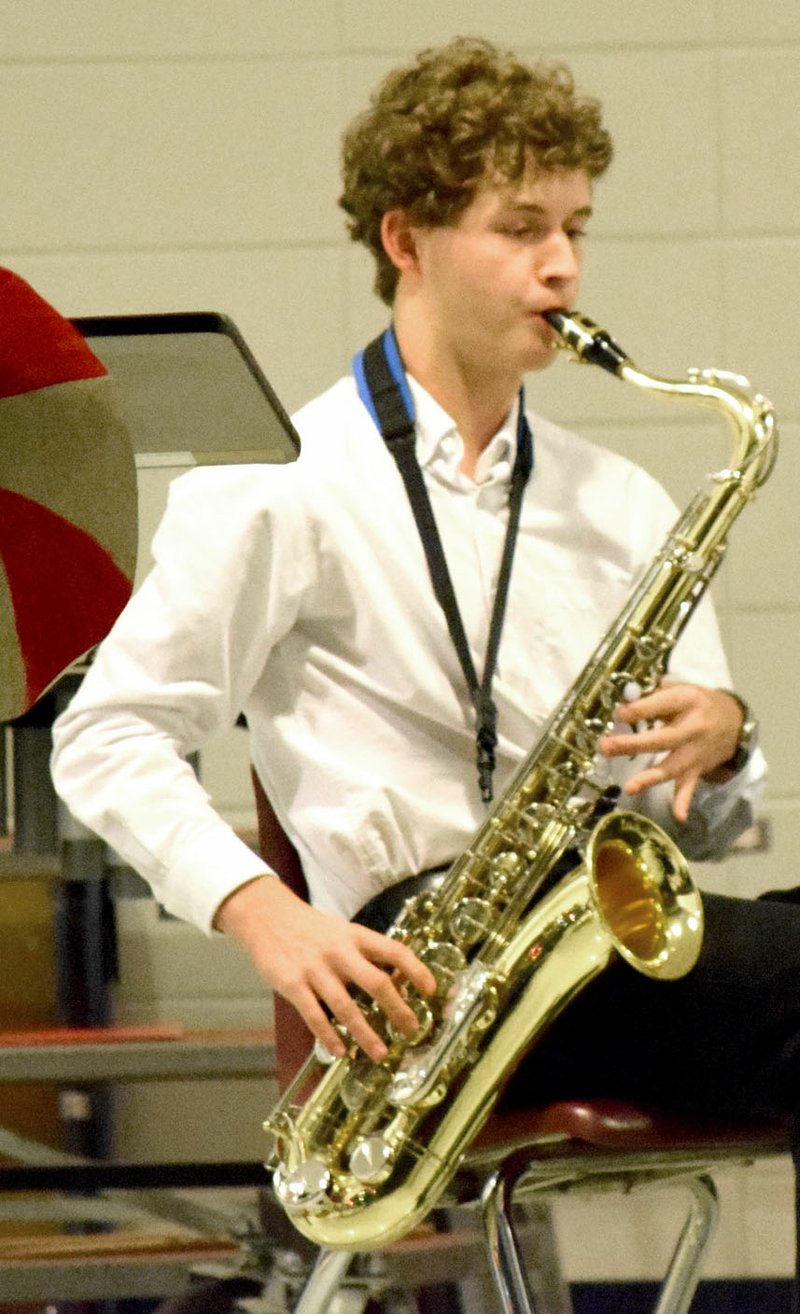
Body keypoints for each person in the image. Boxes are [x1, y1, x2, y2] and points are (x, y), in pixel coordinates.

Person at [51, 33, 799, 1294]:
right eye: (518, 227)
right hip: (414, 972)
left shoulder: (617, 503)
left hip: (581, 955)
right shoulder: (275, 484)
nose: (560, 264)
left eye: (573, 225)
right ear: (404, 240)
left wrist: (724, 741)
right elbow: (106, 736)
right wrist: (265, 918)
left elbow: (694, 840)